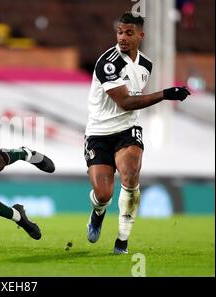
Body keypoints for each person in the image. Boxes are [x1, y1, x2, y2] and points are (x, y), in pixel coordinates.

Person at [84, 12, 190, 254]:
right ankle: (98, 213)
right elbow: (126, 102)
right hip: (99, 133)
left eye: (129, 33)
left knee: (130, 176)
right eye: (120, 32)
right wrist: (165, 94)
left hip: (127, 130)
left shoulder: (146, 65)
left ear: (141, 35)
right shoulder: (108, 63)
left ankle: (122, 239)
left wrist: (163, 94)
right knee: (103, 193)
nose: (122, 37)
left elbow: (131, 106)